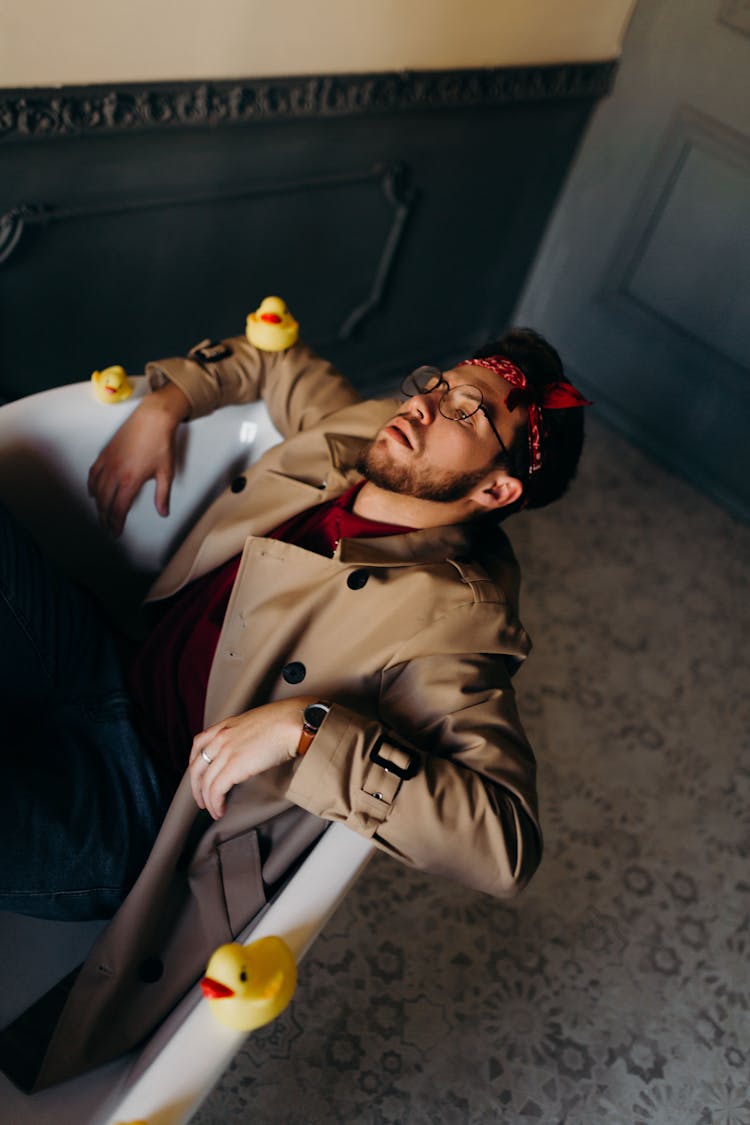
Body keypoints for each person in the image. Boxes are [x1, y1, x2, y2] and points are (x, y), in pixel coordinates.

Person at [0, 324, 589, 1090]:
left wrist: (310, 732)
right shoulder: (371, 430)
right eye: (436, 385)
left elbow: (506, 844)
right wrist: (165, 403)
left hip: (142, 808)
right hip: (105, 665)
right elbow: (277, 356)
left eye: (465, 410)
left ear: (496, 489)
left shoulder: (449, 627)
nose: (424, 404)